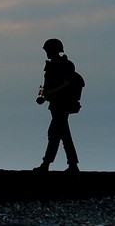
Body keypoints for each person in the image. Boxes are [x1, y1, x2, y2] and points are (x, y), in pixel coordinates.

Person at [34, 38, 81, 173]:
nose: (47, 53)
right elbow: (48, 85)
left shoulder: (65, 65)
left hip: (62, 105)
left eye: (48, 50)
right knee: (63, 135)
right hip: (55, 105)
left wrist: (52, 92)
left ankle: (46, 164)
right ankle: (72, 165)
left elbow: (67, 83)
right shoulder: (51, 66)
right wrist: (44, 97)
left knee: (54, 134)